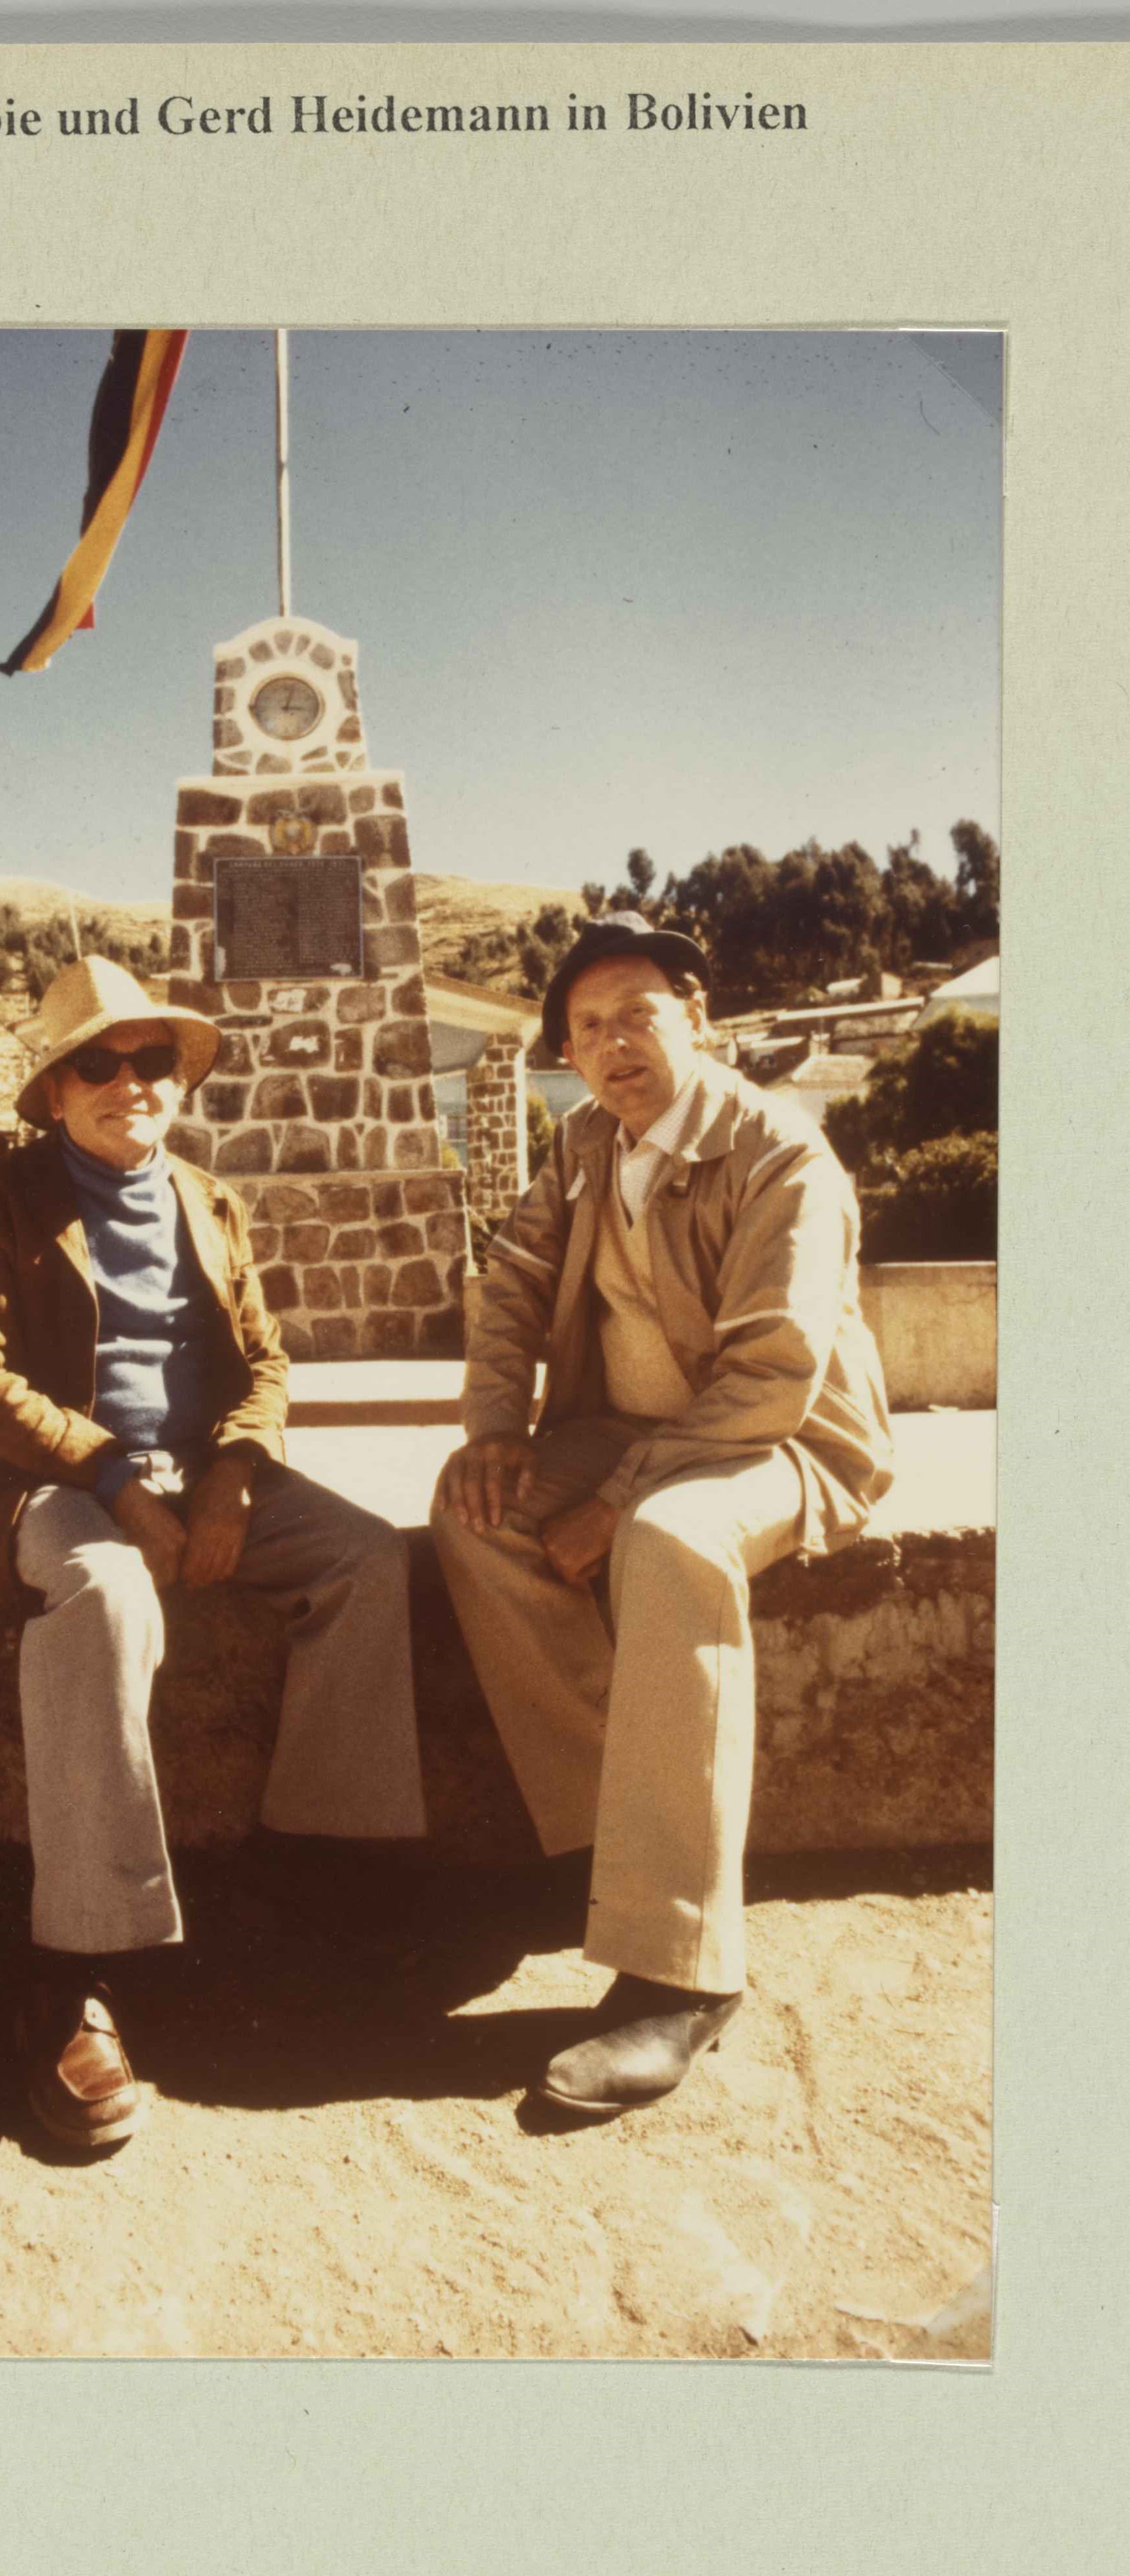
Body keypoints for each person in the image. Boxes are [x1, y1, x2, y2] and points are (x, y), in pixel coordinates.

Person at [0, 955, 425, 2152]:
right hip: (60, 1484)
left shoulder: (210, 1199)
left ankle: (314, 1872)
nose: (130, 1082)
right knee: (106, 1596)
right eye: (96, 1063)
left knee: (368, 1562)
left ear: (179, 1079)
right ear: (55, 1090)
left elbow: (267, 1362)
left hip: (208, 1475)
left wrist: (235, 1477)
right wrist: (115, 1478)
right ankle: (74, 1972)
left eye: (151, 1058)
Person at [431, 908, 892, 2124]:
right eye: (587, 1028)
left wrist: (620, 1496)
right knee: (473, 1508)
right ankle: (614, 1849)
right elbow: (512, 1285)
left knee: (674, 1540)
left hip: (778, 1439)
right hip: (631, 1433)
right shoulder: (588, 1142)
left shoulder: (781, 1155)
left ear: (697, 1017)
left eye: (636, 1015)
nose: (612, 1044)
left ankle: (685, 1969)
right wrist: (495, 1427)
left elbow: (775, 1372)